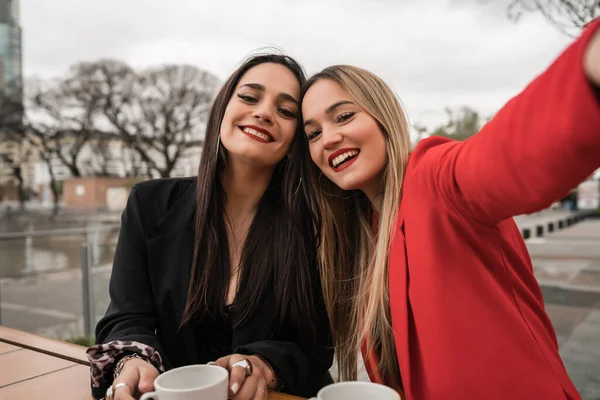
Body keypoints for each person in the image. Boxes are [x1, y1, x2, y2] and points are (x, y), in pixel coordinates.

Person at [300, 19, 600, 400]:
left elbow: (505, 156)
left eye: (343, 116)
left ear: (382, 115)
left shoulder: (433, 177)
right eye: (313, 133)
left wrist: (588, 69)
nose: (329, 138)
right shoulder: (361, 233)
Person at [87, 53, 333, 400]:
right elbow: (126, 316)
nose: (263, 112)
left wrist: (265, 365)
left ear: (296, 142)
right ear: (222, 112)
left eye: (286, 111)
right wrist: (132, 358)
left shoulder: (315, 224)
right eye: (249, 97)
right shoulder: (150, 203)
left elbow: (316, 347)